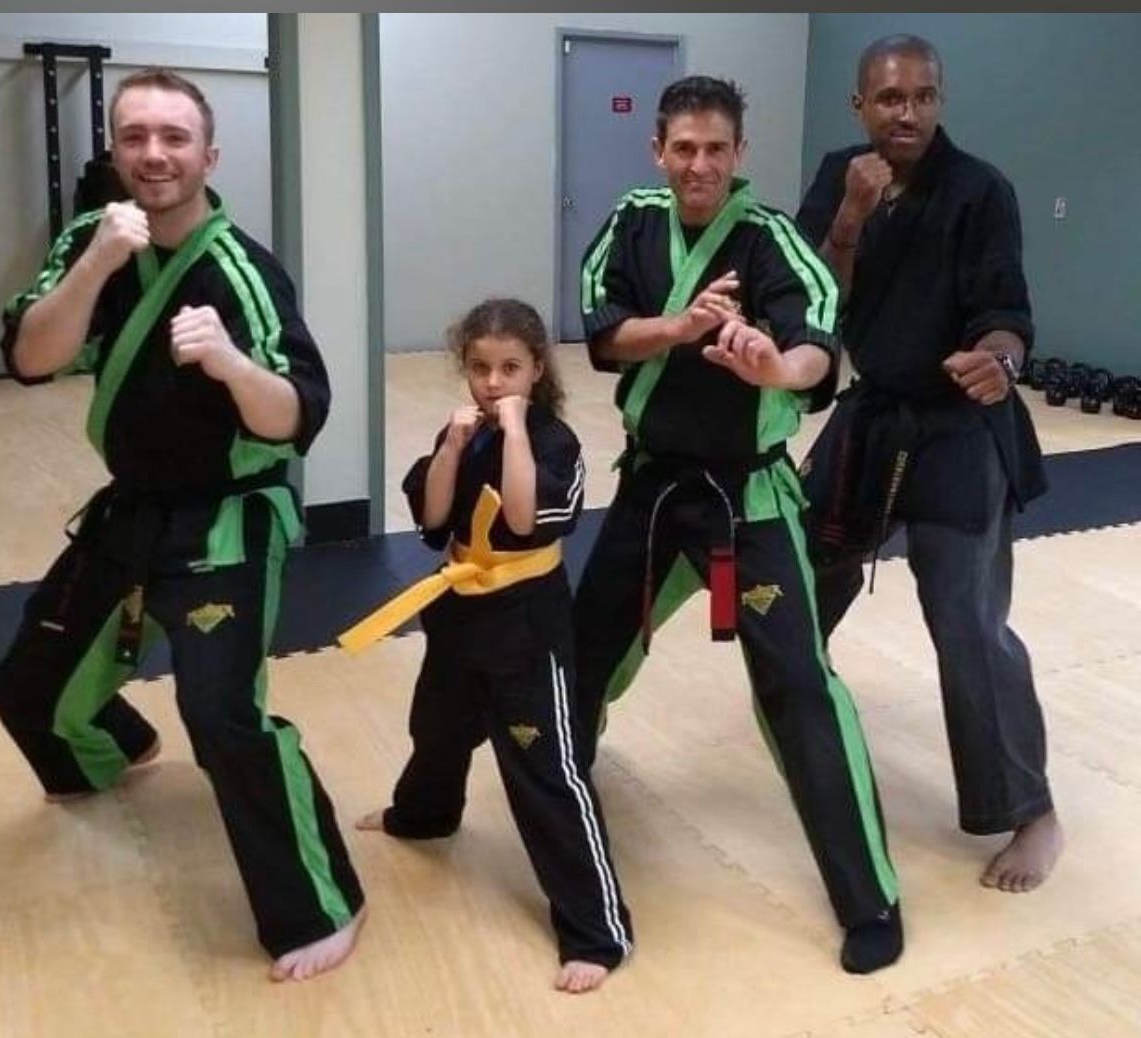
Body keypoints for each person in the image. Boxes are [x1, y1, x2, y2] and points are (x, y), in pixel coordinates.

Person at [0, 68, 364, 982]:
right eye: (134, 137)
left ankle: (323, 904)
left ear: (208, 154)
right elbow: (32, 361)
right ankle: (116, 746)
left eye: (173, 137)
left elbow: (295, 419)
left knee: (222, 713)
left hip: (229, 516)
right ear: (114, 150)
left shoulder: (243, 269)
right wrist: (97, 263)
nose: (153, 154)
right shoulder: (94, 237)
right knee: (24, 686)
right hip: (132, 507)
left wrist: (234, 365)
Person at [575, 75, 901, 974]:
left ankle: (866, 896)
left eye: (716, 149)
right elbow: (602, 333)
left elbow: (814, 347)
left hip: (749, 500)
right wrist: (681, 327)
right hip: (650, 488)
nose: (699, 165)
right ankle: (549, 801)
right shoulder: (628, 225)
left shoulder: (773, 242)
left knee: (798, 688)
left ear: (739, 154)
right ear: (657, 151)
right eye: (683, 148)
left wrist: (772, 368)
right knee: (578, 656)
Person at [795, 34, 1062, 893]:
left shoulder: (979, 189)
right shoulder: (843, 175)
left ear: (938, 100)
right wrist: (846, 221)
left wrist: (1000, 362)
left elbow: (1005, 310)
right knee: (797, 573)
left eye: (921, 96)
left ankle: (1030, 811)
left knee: (966, 620)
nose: (904, 111)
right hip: (871, 417)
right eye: (887, 98)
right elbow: (806, 298)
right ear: (858, 106)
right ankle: (798, 712)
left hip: (957, 428)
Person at [343, 299, 633, 994]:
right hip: (459, 610)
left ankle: (598, 932)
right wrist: (450, 446)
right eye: (479, 369)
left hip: (527, 625)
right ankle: (425, 814)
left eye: (509, 369)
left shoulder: (553, 442)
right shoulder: (463, 431)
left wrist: (514, 437)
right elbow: (436, 515)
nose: (493, 383)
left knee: (544, 770)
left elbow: (528, 518)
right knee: (436, 728)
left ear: (536, 369)